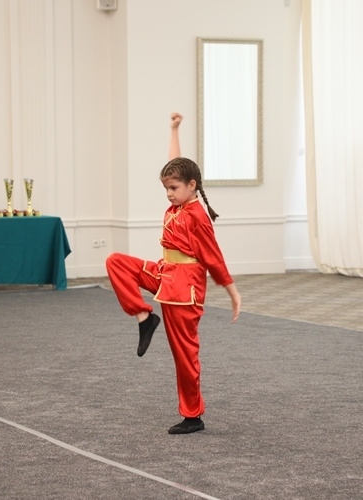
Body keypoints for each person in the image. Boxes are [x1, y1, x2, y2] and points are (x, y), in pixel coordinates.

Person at [105, 112, 241, 434]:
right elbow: (175, 165)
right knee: (116, 261)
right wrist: (174, 129)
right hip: (165, 273)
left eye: (173, 188)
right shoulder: (180, 201)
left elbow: (213, 256)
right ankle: (144, 317)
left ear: (191, 186)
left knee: (184, 354)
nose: (169, 193)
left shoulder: (196, 216)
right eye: (166, 188)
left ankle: (193, 416)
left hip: (185, 289)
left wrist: (232, 291)